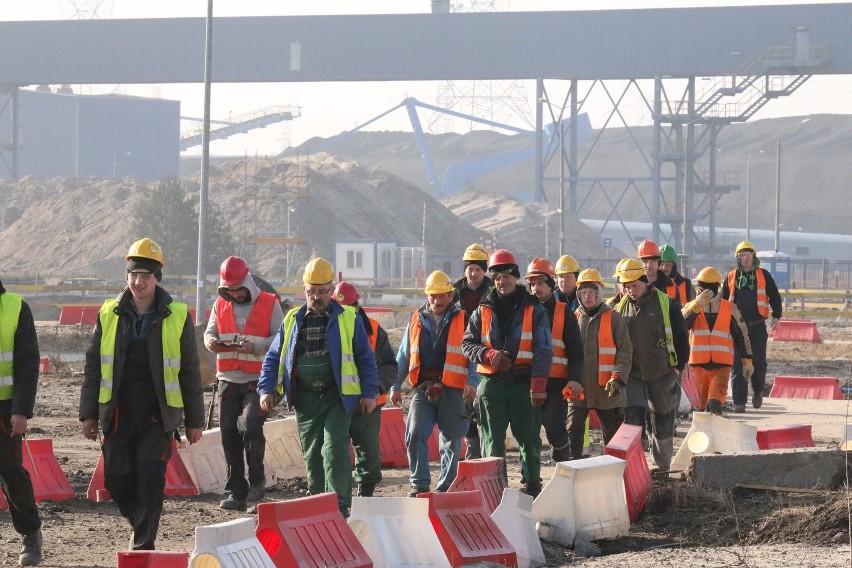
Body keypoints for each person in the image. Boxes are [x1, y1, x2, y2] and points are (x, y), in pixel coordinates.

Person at [80, 238, 204, 550]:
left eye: (145, 276)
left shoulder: (177, 316)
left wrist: (194, 420)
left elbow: (189, 370)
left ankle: (144, 545)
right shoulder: (109, 313)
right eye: (134, 275)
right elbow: (93, 366)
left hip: (156, 414)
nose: (139, 282)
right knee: (117, 480)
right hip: (118, 413)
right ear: (128, 277)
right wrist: (89, 414)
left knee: (150, 479)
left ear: (157, 279)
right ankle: (140, 523)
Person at [258, 258, 377, 516]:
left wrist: (369, 393)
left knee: (334, 448)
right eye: (311, 291)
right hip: (306, 399)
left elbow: (365, 358)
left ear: (331, 290)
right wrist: (266, 388)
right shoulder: (292, 319)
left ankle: (340, 507)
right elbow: (273, 356)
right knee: (312, 455)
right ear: (304, 290)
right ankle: (317, 506)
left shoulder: (348, 317)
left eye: (322, 291)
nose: (317, 297)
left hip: (338, 396)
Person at [461, 249, 552, 497]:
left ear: (516, 277)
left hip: (524, 385)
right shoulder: (482, 309)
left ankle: (532, 487)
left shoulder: (535, 309)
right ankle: (495, 492)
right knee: (492, 443)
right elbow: (467, 344)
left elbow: (544, 348)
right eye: (498, 277)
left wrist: (538, 383)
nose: (502, 282)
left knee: (530, 441)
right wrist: (488, 355)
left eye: (507, 276)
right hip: (492, 386)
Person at [204, 256, 284, 510]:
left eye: (237, 290)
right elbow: (210, 332)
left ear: (246, 282)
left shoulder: (270, 304)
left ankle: (257, 482)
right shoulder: (220, 304)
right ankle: (236, 491)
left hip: (257, 380)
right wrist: (210, 342)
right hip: (227, 379)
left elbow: (282, 340)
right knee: (228, 433)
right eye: (230, 290)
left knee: (250, 425)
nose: (234, 295)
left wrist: (256, 346)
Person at [391, 271, 477, 496]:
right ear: (427, 296)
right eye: (433, 296)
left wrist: (473, 382)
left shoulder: (465, 319)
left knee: (451, 439)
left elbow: (473, 356)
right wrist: (395, 385)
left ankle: (445, 489)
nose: (437, 301)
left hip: (453, 389)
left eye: (441, 296)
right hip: (423, 389)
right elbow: (403, 356)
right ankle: (419, 485)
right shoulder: (415, 319)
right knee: (416, 433)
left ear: (451, 295)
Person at [613, 258, 689, 470]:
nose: (631, 291)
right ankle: (634, 469)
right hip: (633, 375)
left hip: (662, 373)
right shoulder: (619, 308)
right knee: (632, 420)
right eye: (626, 287)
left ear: (645, 281)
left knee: (663, 420)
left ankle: (662, 467)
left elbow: (681, 336)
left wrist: (677, 368)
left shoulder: (666, 303)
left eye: (635, 286)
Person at [333, 280, 397, 497]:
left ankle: (365, 493)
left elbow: (388, 364)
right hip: (338, 401)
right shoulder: (327, 328)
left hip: (367, 402)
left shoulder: (375, 330)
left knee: (368, 450)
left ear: (357, 307)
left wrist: (376, 388)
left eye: (349, 308)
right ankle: (339, 494)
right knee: (335, 448)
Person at [0, 279, 44, 566]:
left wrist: (21, 410)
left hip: (5, 409)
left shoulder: (16, 308)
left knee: (10, 474)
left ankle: (30, 534)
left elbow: (28, 364)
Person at [523, 258, 584, 461]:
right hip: (526, 380)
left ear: (550, 284)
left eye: (540, 283)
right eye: (532, 284)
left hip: (555, 383)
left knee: (555, 429)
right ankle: (530, 477)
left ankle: (562, 465)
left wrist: (574, 379)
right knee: (528, 433)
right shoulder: (522, 310)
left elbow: (576, 349)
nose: (535, 288)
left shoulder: (563, 312)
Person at [571, 269, 633, 457]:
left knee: (613, 437)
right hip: (578, 389)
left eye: (591, 291)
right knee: (572, 431)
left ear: (599, 293)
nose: (587, 296)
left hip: (608, 390)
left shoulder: (613, 317)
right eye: (583, 292)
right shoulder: (574, 318)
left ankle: (615, 472)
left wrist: (618, 378)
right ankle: (572, 468)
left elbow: (625, 351)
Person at [682, 267, 754, 415]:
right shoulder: (691, 307)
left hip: (721, 366)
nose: (702, 290)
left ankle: (716, 425)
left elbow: (741, 335)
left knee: (714, 402)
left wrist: (747, 360)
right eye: (700, 287)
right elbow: (681, 326)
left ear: (715, 288)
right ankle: (706, 434)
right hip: (699, 366)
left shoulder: (729, 309)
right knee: (702, 408)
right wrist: (697, 305)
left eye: (706, 287)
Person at [721, 241, 783, 412]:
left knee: (758, 363)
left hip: (757, 327)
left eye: (748, 254)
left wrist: (776, 316)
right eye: (742, 254)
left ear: (753, 257)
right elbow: (723, 302)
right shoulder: (731, 276)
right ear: (738, 258)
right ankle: (739, 403)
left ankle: (757, 391)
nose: (745, 257)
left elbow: (775, 296)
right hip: (736, 328)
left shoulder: (763, 275)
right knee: (738, 366)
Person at [452, 243, 493, 460]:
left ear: (484, 270)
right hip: (460, 351)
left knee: (483, 404)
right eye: (470, 269)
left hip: (486, 351)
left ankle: (486, 449)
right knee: (466, 402)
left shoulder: (494, 290)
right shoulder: (454, 291)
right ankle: (472, 448)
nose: (474, 273)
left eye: (478, 269)